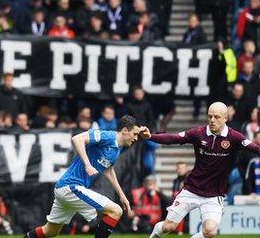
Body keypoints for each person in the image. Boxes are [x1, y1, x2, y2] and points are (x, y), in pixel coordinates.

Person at [143, 102, 260, 238]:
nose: (212, 120)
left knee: (210, 231)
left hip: (214, 194)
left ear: (225, 118)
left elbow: (255, 148)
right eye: (210, 116)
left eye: (216, 117)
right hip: (191, 189)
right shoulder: (198, 133)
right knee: (168, 227)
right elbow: (174, 138)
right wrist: (151, 136)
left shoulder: (234, 137)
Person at [22, 116, 146, 238]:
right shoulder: (107, 136)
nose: (136, 138)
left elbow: (108, 170)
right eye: (135, 134)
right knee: (115, 211)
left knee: (50, 231)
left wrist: (121, 195)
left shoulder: (117, 148)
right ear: (125, 130)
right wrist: (87, 164)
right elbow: (77, 139)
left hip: (65, 188)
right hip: (70, 186)